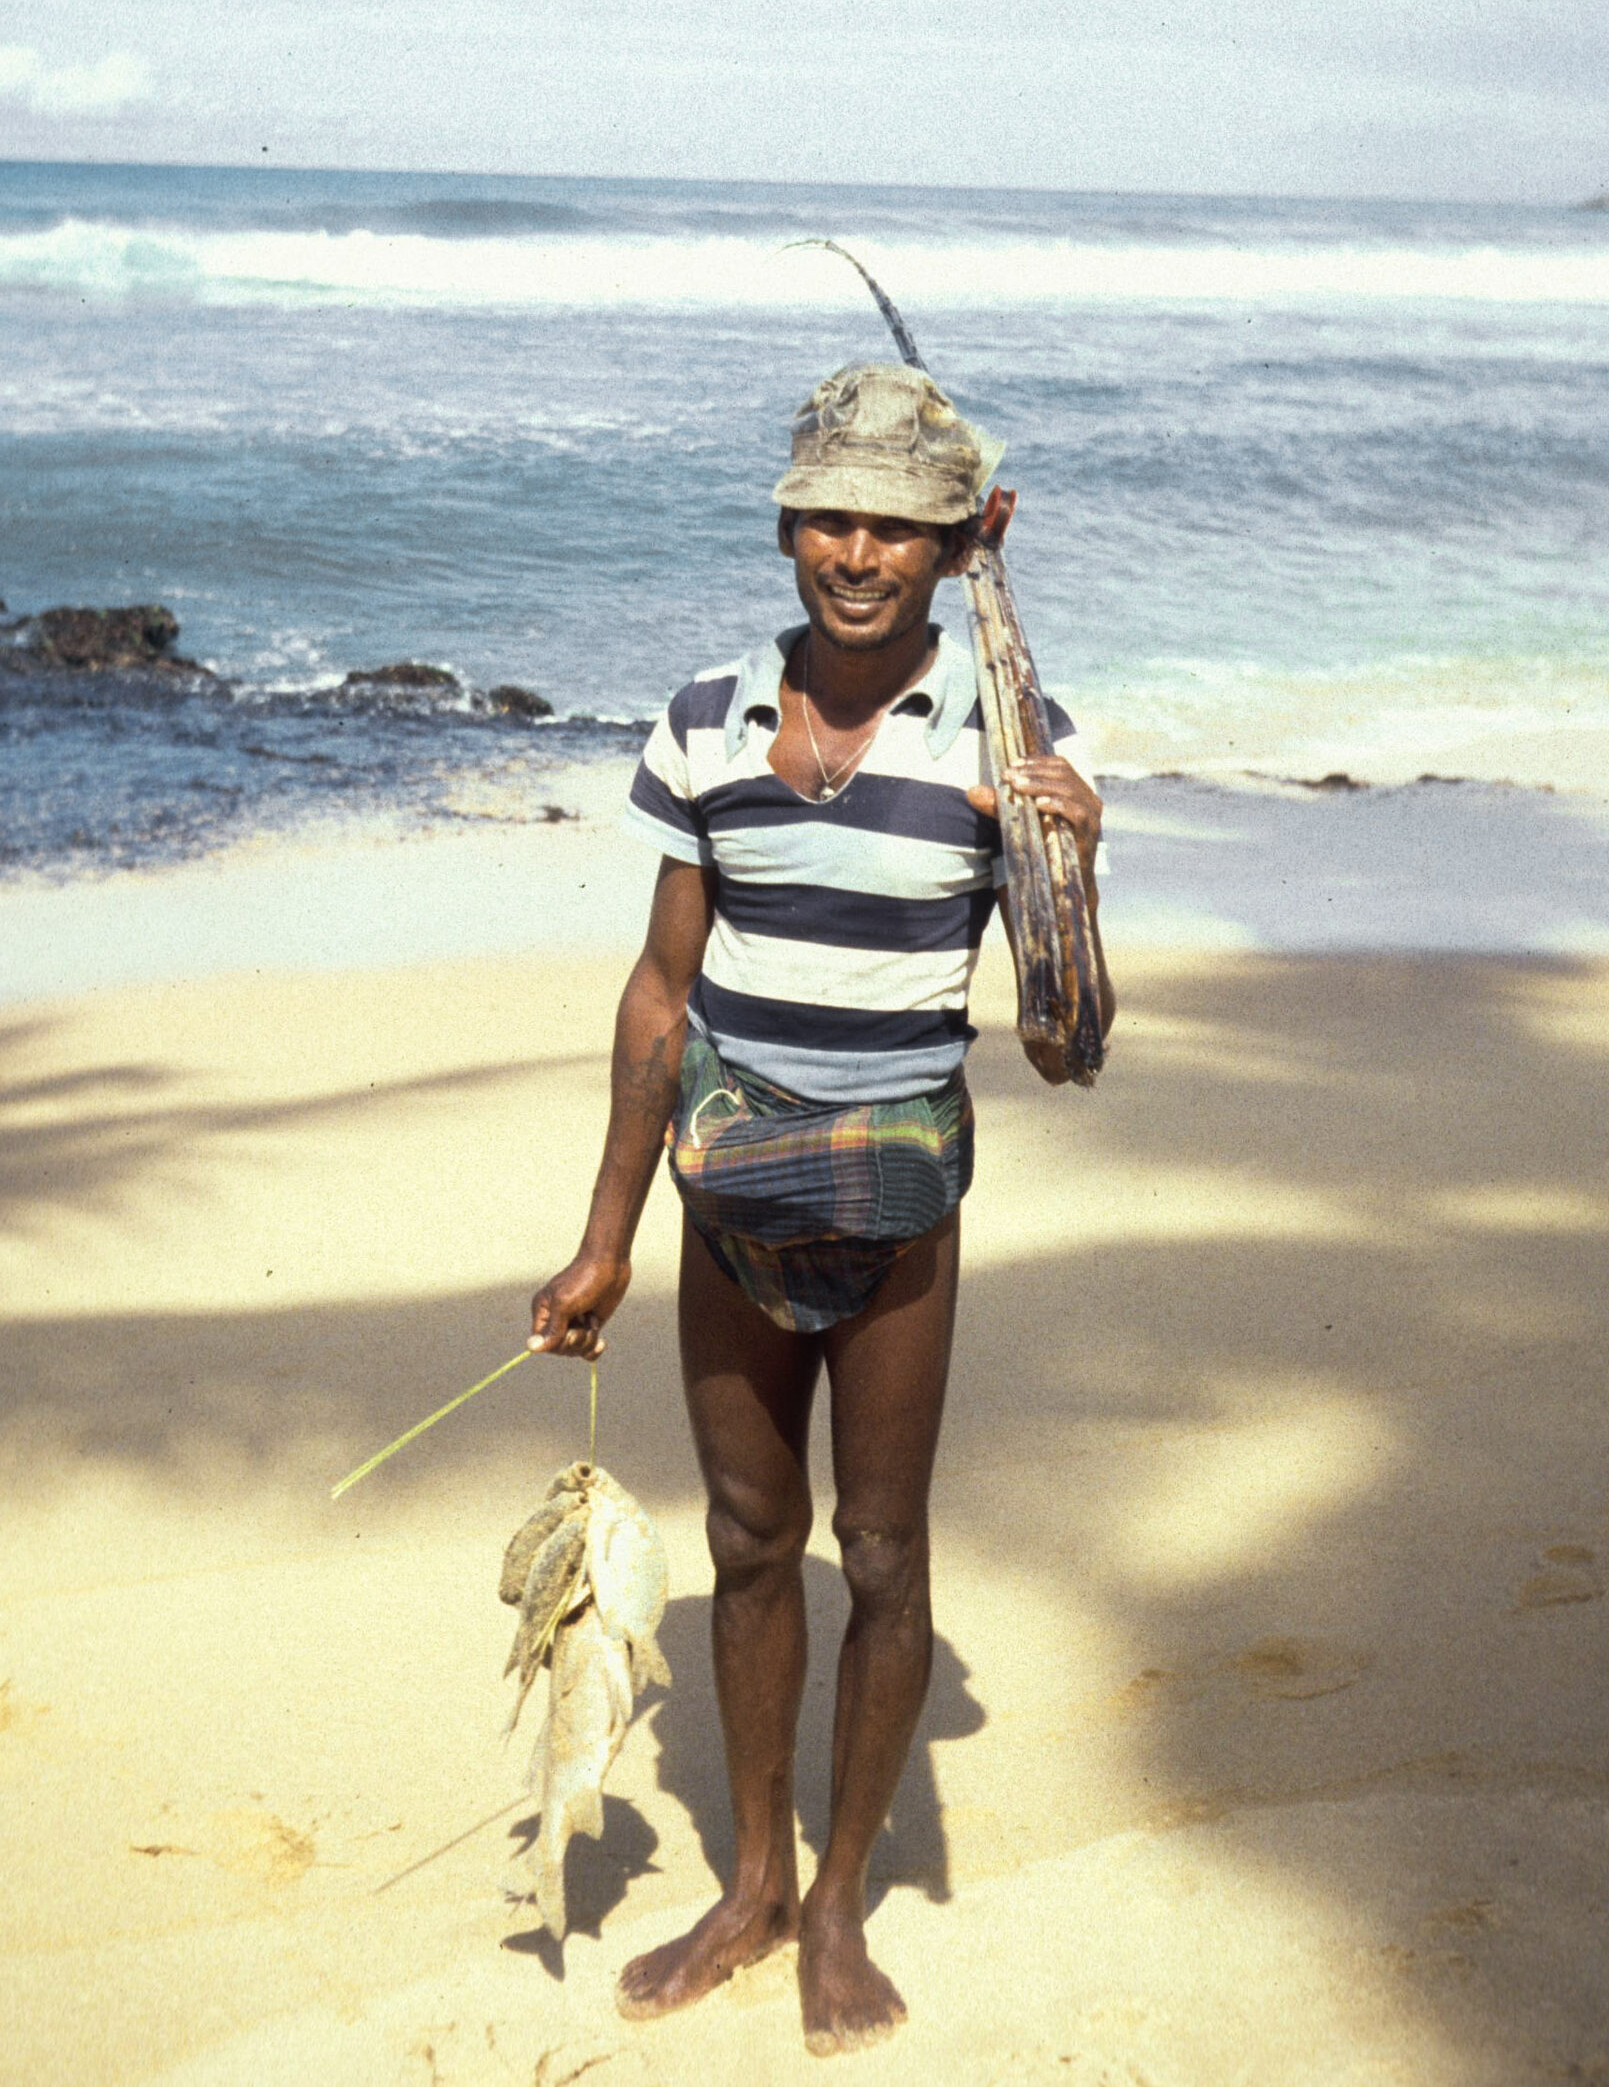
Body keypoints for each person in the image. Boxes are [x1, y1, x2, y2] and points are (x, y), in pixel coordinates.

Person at [528, 361, 1112, 2056]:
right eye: (832, 517)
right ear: (790, 527)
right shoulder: (706, 716)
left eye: (900, 526)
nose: (860, 552)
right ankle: (756, 1882)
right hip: (728, 1201)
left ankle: (842, 1898)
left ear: (951, 547)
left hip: (898, 1215)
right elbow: (657, 994)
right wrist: (603, 1234)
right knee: (744, 1541)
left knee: (881, 1548)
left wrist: (1071, 867)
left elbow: (1069, 1048)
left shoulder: (1015, 736)